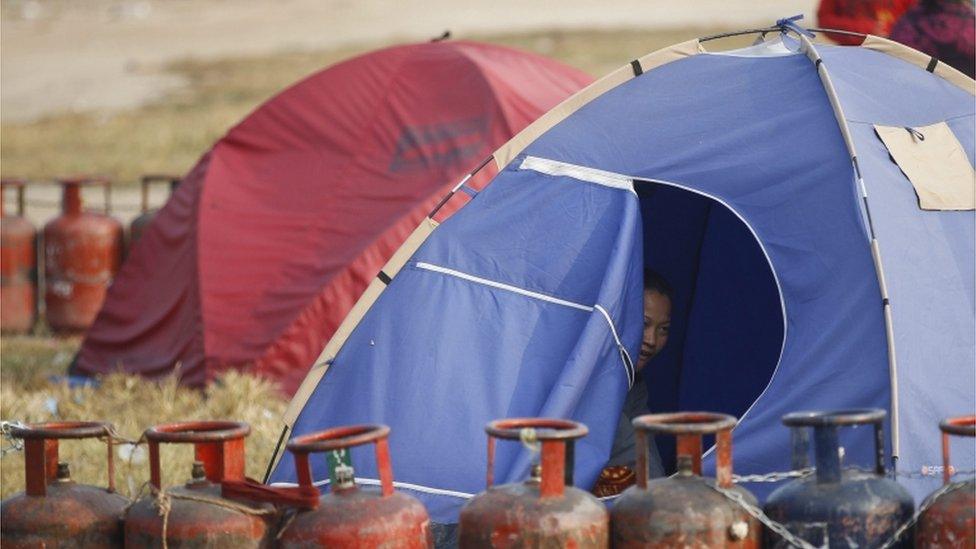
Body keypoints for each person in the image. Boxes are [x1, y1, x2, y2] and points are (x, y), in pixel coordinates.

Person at [593, 269, 672, 497]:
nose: (651, 340)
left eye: (663, 329)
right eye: (644, 323)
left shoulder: (634, 388)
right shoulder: (592, 385)